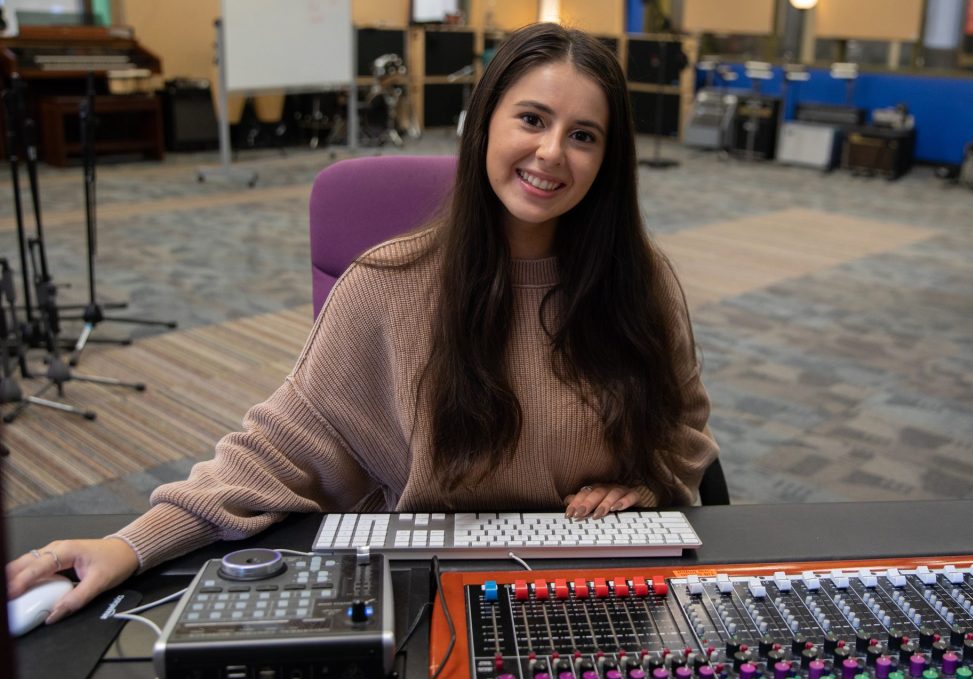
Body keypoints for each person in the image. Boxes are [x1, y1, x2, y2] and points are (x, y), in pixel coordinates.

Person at [6, 22, 718, 624]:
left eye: (584, 135)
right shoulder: (389, 284)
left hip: (597, 586)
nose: (552, 153)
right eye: (532, 119)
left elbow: (683, 432)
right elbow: (274, 452)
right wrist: (128, 546)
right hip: (430, 594)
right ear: (485, 125)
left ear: (607, 158)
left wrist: (649, 483)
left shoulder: (640, 283)